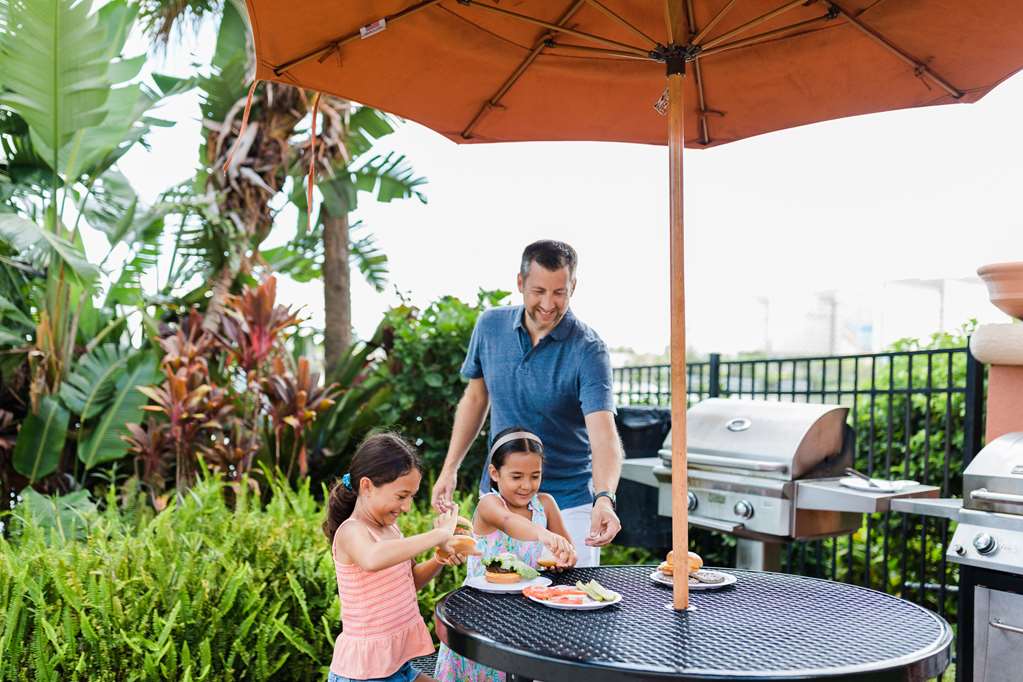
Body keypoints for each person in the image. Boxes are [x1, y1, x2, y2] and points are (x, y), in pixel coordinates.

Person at [432, 239, 623, 567]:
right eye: (538, 291)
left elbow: (604, 434)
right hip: (501, 496)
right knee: (493, 589)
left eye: (559, 292)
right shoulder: (490, 326)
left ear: (573, 287)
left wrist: (604, 498)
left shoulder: (589, 349)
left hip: (568, 502)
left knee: (572, 594)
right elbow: (476, 398)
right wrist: (450, 469)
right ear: (520, 283)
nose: (548, 304)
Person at [325, 433, 470, 682]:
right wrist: (438, 534)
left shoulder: (391, 529)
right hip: (364, 673)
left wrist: (440, 557)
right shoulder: (351, 531)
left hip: (397, 666)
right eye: (401, 496)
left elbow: (409, 581)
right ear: (367, 486)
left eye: (411, 496)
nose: (407, 507)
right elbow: (372, 558)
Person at [434, 427, 576, 682]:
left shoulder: (546, 504)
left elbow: (567, 551)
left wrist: (563, 558)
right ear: (495, 473)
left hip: (524, 613)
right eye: (516, 476)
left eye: (535, 476)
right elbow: (509, 522)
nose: (526, 485)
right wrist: (543, 535)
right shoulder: (490, 504)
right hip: (479, 613)